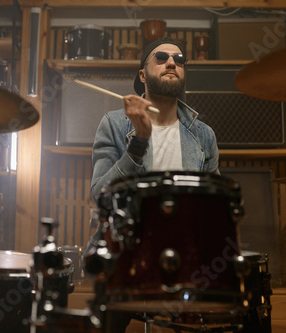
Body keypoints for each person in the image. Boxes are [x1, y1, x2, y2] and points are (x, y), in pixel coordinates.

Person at [86, 38, 220, 332]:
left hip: (184, 261)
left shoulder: (203, 136)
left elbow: (213, 211)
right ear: (142, 75)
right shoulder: (115, 124)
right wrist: (139, 143)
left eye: (179, 59)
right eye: (161, 57)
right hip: (125, 256)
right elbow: (101, 197)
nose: (172, 62)